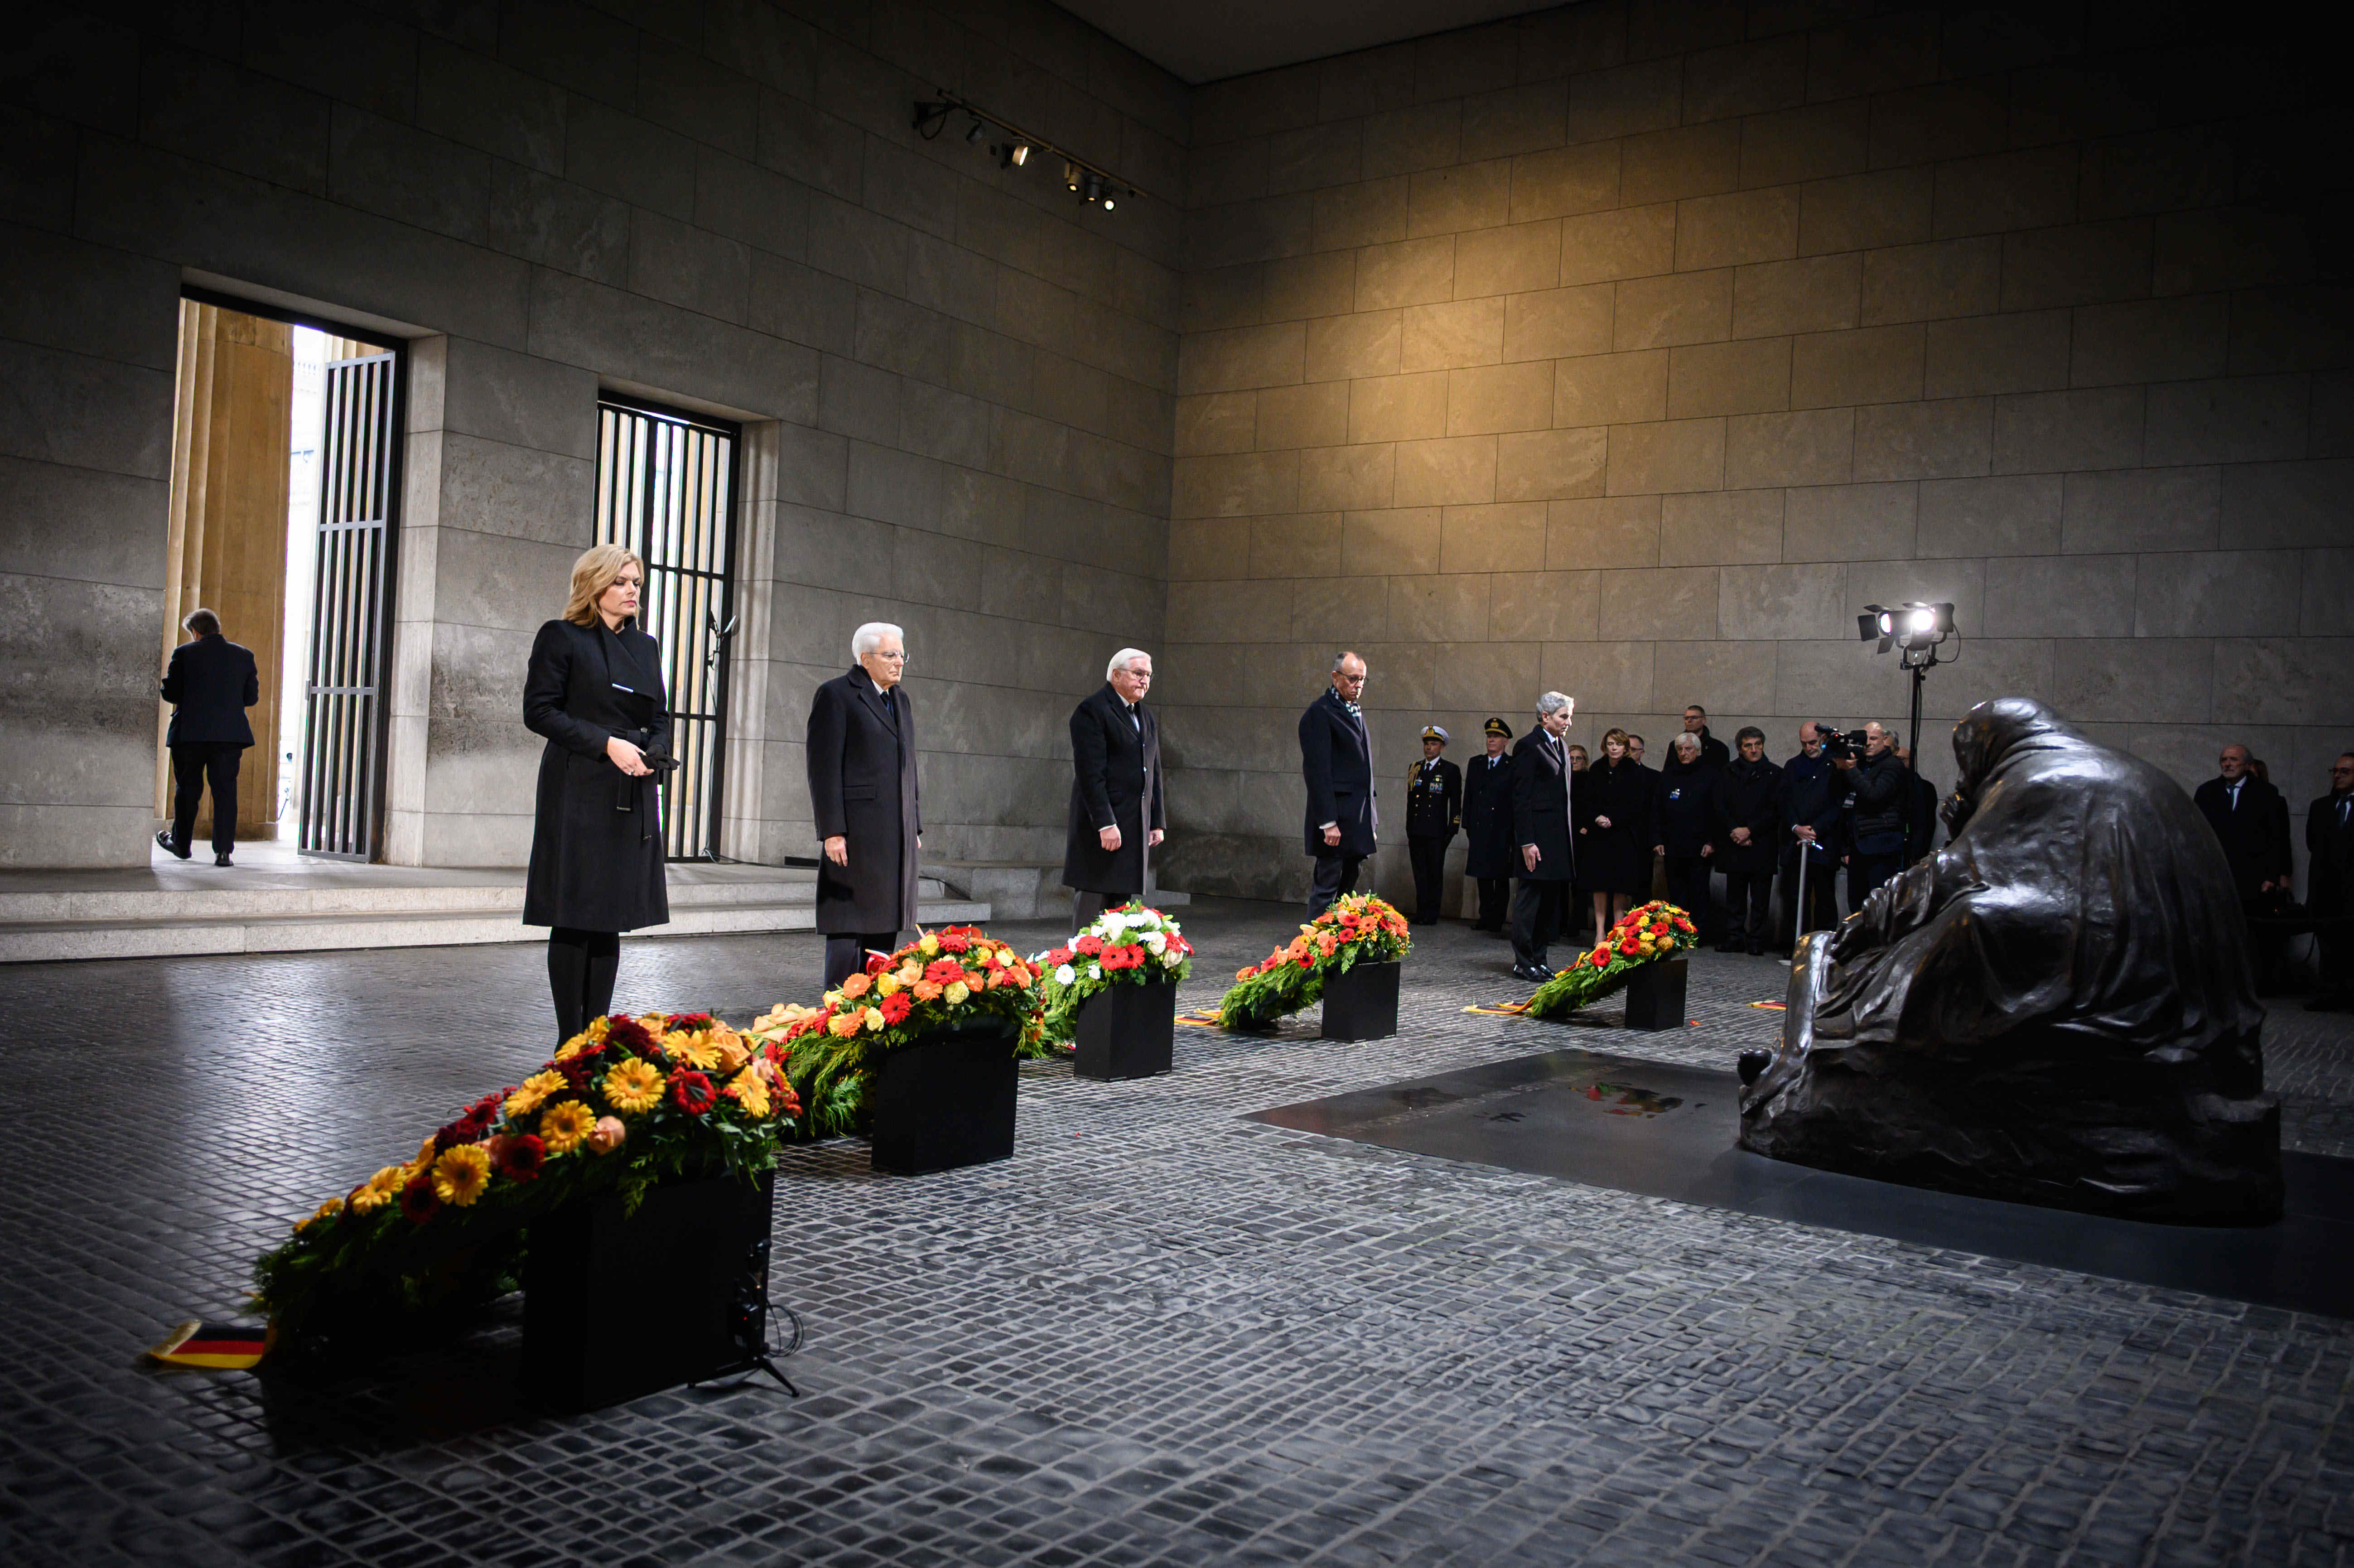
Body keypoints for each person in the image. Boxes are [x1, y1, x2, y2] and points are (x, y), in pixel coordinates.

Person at [523, 544, 671, 1043]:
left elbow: (661, 718)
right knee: (574, 913)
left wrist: (654, 751)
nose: (634, 591)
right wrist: (608, 743)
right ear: (595, 585)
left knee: (609, 916)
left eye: (637, 583)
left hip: (629, 787)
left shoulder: (646, 647)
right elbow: (539, 711)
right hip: (579, 787)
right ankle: (569, 1040)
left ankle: (595, 1036)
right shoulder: (561, 637)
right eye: (624, 582)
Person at [808, 622, 921, 989]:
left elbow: (909, 766)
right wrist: (832, 831)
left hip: (892, 836)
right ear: (865, 658)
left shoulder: (900, 700)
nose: (899, 662)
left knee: (883, 927)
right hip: (854, 835)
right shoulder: (837, 695)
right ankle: (838, 1016)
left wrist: (913, 824)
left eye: (902, 655)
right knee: (848, 928)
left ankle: (872, 1012)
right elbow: (822, 769)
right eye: (890, 655)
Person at [1063, 648, 1164, 932]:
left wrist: (1156, 821)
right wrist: (1106, 823)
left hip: (1134, 826)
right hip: (1102, 827)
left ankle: (1112, 969)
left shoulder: (1144, 715)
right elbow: (1090, 774)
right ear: (1116, 675)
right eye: (1138, 673)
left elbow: (1154, 770)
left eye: (1148, 675)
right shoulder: (1092, 710)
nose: (1144, 680)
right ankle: (1082, 965)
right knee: (1093, 905)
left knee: (1120, 911)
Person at [156, 608, 260, 868]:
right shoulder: (244, 655)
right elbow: (251, 699)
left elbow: (171, 694)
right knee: (225, 793)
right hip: (229, 736)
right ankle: (223, 852)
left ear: (195, 632)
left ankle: (181, 845)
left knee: (188, 790)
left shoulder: (184, 654)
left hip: (190, 734)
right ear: (217, 627)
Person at [2194, 743, 2294, 991]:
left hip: (2253, 876)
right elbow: (2197, 834)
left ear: (2247, 765)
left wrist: (2273, 874)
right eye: (2224, 760)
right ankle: (2218, 984)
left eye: (2233, 760)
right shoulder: (2207, 792)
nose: (2227, 764)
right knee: (2217, 930)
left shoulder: (2266, 793)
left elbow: (2276, 837)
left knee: (2251, 933)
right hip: (2216, 874)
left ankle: (2252, 984)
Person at [1300, 651, 1375, 917]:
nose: (1359, 686)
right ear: (1336, 677)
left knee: (1348, 894)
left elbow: (1365, 772)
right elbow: (1317, 772)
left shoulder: (1355, 711)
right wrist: (1328, 822)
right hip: (1335, 821)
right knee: (1326, 890)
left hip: (1356, 820)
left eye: (1363, 680)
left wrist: (1371, 821)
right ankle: (1312, 951)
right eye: (1353, 679)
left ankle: (1337, 947)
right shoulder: (1320, 713)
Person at [1510, 693, 1576, 981]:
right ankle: (1523, 961)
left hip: (1557, 841)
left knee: (1549, 904)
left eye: (1570, 716)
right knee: (1531, 902)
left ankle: (1540, 958)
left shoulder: (1560, 744)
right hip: (1536, 841)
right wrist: (1527, 842)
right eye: (1564, 716)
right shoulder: (1528, 746)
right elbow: (1521, 798)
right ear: (1545, 717)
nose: (1569, 722)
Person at [1714, 726, 1780, 954]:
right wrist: (1736, 831)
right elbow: (1720, 805)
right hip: (1734, 842)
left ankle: (1756, 940)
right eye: (1748, 746)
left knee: (1760, 897)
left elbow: (1774, 809)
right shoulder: (1727, 772)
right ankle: (1735, 937)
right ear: (1740, 749)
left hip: (1761, 842)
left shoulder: (1774, 773)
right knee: (1735, 895)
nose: (1754, 750)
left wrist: (1750, 831)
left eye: (1758, 745)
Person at [1579, 728, 1649, 937]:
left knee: (1620, 886)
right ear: (1605, 746)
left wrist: (1614, 819)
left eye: (1618, 744)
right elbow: (1587, 800)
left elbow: (1637, 804)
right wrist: (1596, 817)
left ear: (1626, 748)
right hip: (1599, 835)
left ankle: (1618, 930)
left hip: (1622, 834)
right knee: (1599, 884)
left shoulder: (1633, 771)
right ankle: (1600, 931)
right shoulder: (1597, 769)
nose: (1614, 748)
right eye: (1610, 744)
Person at [1776, 723, 1841, 946]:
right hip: (1795, 843)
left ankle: (1824, 945)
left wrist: (1816, 830)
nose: (1809, 748)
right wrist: (1796, 827)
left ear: (1823, 738)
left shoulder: (1834, 765)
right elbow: (1783, 801)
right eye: (1804, 744)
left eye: (1812, 743)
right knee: (1795, 897)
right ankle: (1793, 945)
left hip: (1823, 842)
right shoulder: (1793, 766)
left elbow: (1837, 803)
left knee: (1824, 897)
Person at [1656, 733, 1722, 943]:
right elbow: (1656, 810)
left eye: (1689, 749)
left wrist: (1712, 841)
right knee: (1676, 891)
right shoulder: (1667, 776)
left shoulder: (1711, 776)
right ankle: (1677, 932)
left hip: (1700, 845)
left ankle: (1698, 933)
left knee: (1699, 891)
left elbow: (1716, 811)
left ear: (1698, 750)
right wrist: (1657, 839)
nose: (1684, 753)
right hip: (1673, 843)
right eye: (1680, 750)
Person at [1836, 722, 1906, 909]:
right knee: (1856, 905)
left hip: (1881, 846)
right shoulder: (1864, 765)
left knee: (1878, 906)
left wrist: (1851, 770)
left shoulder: (1892, 766)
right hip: (1860, 846)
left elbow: (1874, 796)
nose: (1868, 743)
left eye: (1874, 739)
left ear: (1885, 741)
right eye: (1865, 739)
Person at [1461, 718, 1517, 933]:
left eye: (1496, 737)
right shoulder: (1476, 763)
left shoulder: (1511, 765)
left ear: (1505, 742)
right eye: (1489, 737)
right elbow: (1470, 796)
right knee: (1482, 875)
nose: (1491, 740)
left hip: (1502, 830)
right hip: (1480, 827)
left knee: (1500, 876)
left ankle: (1497, 919)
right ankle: (1485, 916)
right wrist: (1468, 824)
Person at [2309, 754, 2354, 1012]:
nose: (2338, 776)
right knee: (2328, 945)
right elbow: (2312, 843)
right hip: (2326, 887)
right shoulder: (2321, 807)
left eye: (2345, 771)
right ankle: (2328, 994)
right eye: (2335, 770)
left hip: (2352, 889)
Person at [1404, 725, 1461, 925]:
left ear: (1442, 747)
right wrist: (1409, 828)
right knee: (1419, 872)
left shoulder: (1450, 770)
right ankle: (1421, 911)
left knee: (1434, 873)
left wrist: (1452, 829)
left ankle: (1432, 913)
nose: (1429, 748)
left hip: (1437, 832)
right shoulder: (1415, 768)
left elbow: (1455, 803)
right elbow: (1411, 802)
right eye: (1427, 744)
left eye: (1434, 744)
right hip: (1417, 830)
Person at [1895, 745, 1940, 865]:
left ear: (1911, 761)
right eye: (1894, 759)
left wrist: (1917, 854)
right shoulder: (1886, 785)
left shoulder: (1925, 788)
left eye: (1901, 759)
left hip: (1910, 852)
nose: (1897, 764)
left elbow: (1926, 824)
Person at [1679, 704, 1731, 770]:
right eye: (1687, 718)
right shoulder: (1676, 746)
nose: (1689, 721)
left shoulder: (1718, 748)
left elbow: (1724, 776)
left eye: (1694, 718)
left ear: (1704, 720)